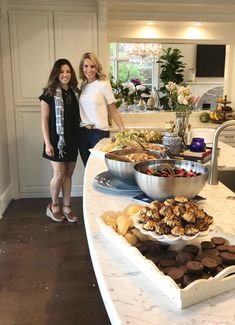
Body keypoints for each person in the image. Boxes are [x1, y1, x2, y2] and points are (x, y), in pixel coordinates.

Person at [39, 58, 80, 223]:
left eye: (68, 71)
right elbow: (44, 119)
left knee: (68, 174)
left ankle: (67, 207)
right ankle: (54, 206)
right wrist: (48, 143)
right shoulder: (48, 93)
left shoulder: (75, 92)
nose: (65, 75)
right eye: (62, 71)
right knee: (59, 174)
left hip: (72, 139)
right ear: (56, 73)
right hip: (56, 141)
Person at [78, 52, 125, 165]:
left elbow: (113, 110)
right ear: (82, 68)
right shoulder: (82, 86)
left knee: (98, 167)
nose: (89, 69)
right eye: (86, 66)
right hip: (83, 132)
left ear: (97, 67)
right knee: (88, 167)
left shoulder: (103, 84)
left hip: (99, 133)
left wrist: (123, 131)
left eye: (92, 66)